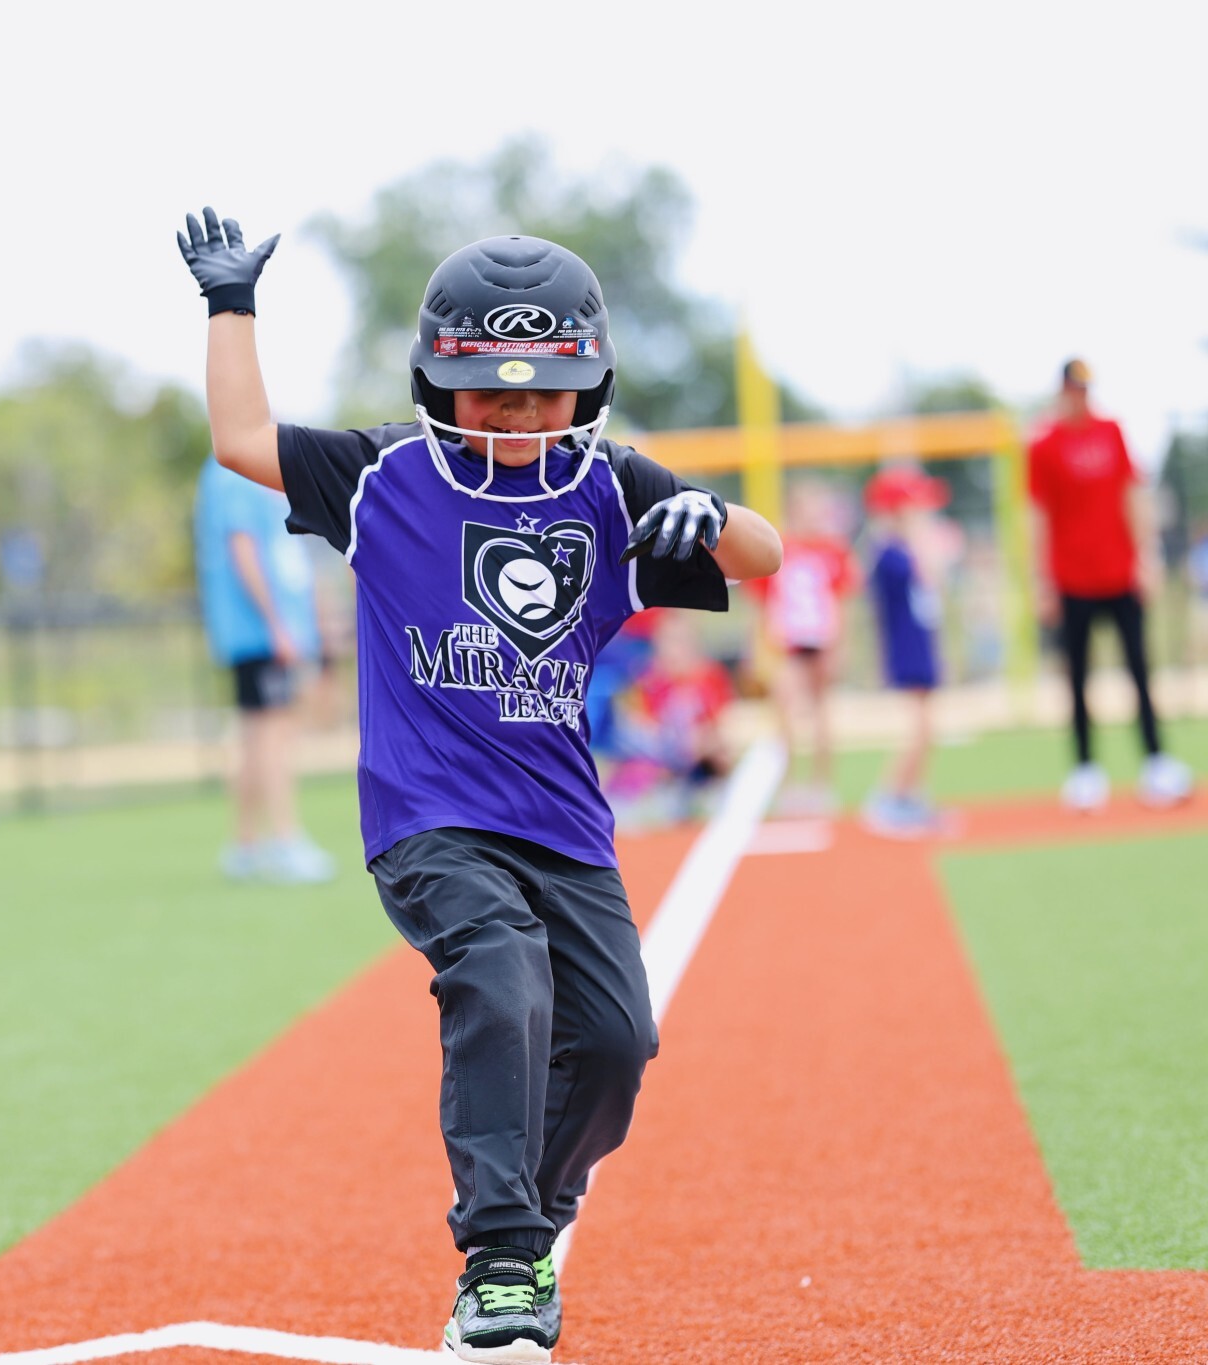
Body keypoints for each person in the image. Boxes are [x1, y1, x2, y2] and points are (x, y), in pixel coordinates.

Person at [177, 208, 781, 1362]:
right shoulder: (381, 478)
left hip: (563, 826)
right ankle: (499, 1259)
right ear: (437, 384)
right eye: (490, 392)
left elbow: (761, 558)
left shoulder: (609, 488)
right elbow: (241, 439)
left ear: (586, 388)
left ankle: (531, 1230)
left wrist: (715, 517)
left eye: (543, 391)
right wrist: (229, 305)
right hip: (430, 817)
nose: (515, 413)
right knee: (499, 978)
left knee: (613, 1043)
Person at [1028, 359, 1193, 810]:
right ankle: (1085, 769)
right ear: (1062, 390)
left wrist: (1147, 558)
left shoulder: (1112, 431)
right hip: (1071, 578)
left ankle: (1156, 763)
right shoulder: (1043, 445)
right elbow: (1038, 515)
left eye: (1086, 389)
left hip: (1119, 573)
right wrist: (1042, 581)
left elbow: (1131, 495)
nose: (1082, 397)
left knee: (1140, 670)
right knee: (1077, 677)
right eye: (1074, 389)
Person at [194, 454, 337, 883]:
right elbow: (242, 549)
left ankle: (245, 845)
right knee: (273, 734)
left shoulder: (244, 473)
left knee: (259, 735)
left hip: (268, 630)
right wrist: (278, 626)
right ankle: (284, 839)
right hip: (260, 632)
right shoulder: (231, 472)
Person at [749, 478, 856, 815]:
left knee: (821, 712)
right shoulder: (780, 546)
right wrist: (761, 644)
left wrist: (840, 645)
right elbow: (765, 602)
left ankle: (821, 785)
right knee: (785, 711)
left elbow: (842, 600)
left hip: (820, 638)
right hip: (790, 640)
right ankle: (791, 784)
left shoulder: (833, 550)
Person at [859, 467, 955, 839]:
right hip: (905, 646)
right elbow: (927, 575)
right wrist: (921, 538)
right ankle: (889, 798)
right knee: (921, 727)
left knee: (928, 726)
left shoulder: (900, 549)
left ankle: (910, 795)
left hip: (920, 643)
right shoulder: (889, 552)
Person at [630, 613, 737, 822]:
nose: (675, 650)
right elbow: (643, 725)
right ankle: (665, 795)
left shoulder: (709, 676)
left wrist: (701, 742)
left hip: (704, 760)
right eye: (668, 642)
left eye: (681, 642)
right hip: (667, 761)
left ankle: (712, 790)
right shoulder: (651, 680)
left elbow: (723, 723)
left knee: (718, 746)